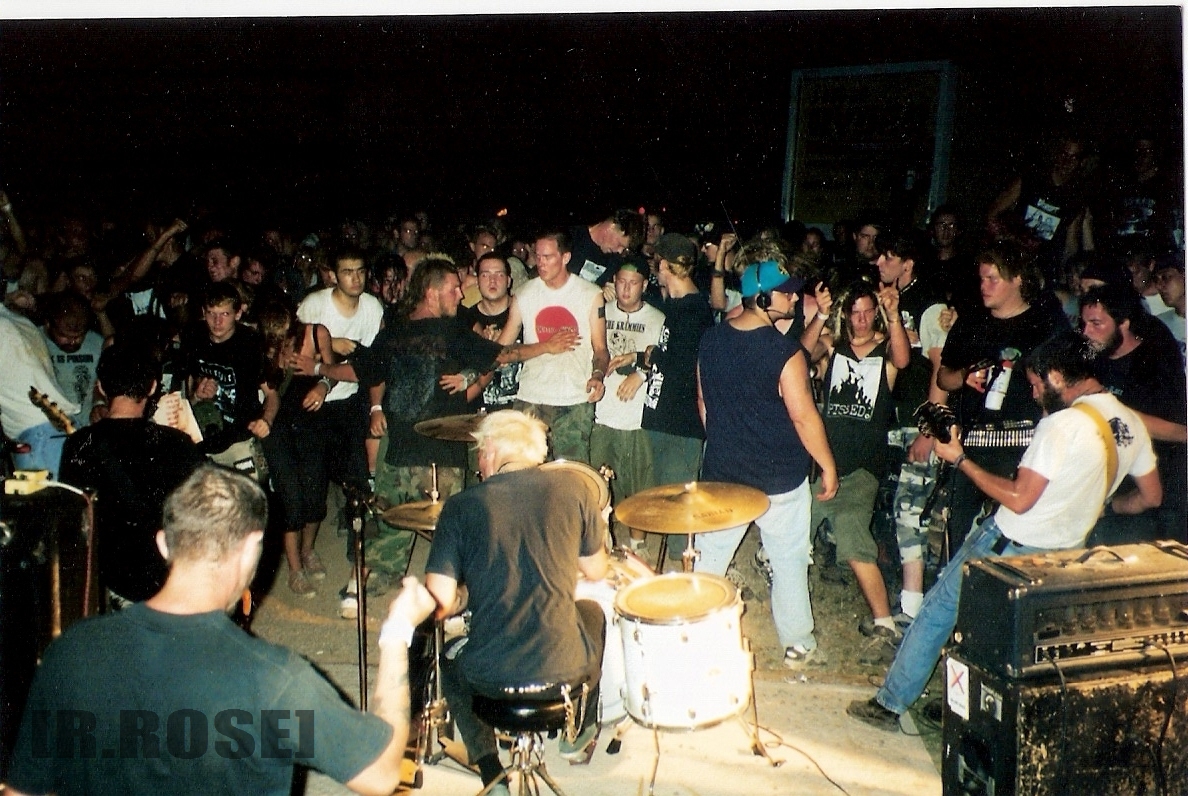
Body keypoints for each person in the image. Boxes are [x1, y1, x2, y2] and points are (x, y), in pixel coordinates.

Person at [5, 464, 437, 796]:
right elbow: (381, 774)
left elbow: (20, 789)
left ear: (163, 543)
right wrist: (397, 632)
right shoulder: (276, 679)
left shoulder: (73, 649)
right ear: (252, 548)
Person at [847, 331, 1162, 732]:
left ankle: (890, 705)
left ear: (1057, 377)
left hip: (1008, 544)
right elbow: (1151, 496)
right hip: (1062, 557)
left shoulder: (1062, 425)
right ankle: (958, 711)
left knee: (938, 613)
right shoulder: (1130, 423)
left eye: (1034, 384)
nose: (1032, 395)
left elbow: (1018, 497)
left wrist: (960, 459)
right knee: (995, 644)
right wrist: (1104, 504)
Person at [424, 411, 609, 794]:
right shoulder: (575, 489)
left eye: (479, 452)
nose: (479, 461)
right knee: (592, 612)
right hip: (565, 672)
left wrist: (463, 597)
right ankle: (577, 733)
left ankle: (492, 772)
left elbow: (439, 600)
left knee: (448, 658)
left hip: (489, 676)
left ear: (491, 449)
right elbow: (596, 570)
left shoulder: (460, 506)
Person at [696, 251, 839, 669]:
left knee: (709, 557)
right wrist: (827, 465)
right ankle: (798, 643)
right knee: (789, 559)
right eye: (787, 295)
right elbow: (804, 416)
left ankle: (691, 629)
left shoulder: (711, 338)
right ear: (761, 300)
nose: (795, 301)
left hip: (725, 474)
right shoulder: (785, 352)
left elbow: (704, 404)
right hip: (779, 479)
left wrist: (728, 441)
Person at [935, 243, 1069, 551]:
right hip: (972, 444)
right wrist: (964, 375)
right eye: (981, 279)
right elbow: (944, 376)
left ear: (1018, 279)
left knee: (1008, 542)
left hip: (1022, 449)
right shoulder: (971, 321)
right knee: (955, 539)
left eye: (992, 279)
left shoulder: (1046, 324)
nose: (984, 286)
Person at [807, 281, 909, 662]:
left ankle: (884, 623)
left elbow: (903, 360)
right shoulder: (834, 347)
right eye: (856, 312)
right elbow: (802, 352)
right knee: (794, 522)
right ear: (846, 315)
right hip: (825, 461)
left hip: (863, 467)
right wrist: (819, 314)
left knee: (852, 532)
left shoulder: (885, 350)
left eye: (869, 311)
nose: (862, 319)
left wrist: (894, 316)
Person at [58, 342, 206, 605]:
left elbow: (73, 524)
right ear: (152, 387)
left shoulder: (78, 443)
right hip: (166, 579)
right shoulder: (177, 442)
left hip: (109, 580)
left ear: (101, 387)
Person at [498, 230, 608, 463]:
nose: (540, 263)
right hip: (531, 398)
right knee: (525, 476)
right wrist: (546, 346)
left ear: (565, 257)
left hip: (573, 402)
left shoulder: (590, 294)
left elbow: (600, 349)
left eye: (547, 257)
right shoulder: (524, 294)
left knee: (570, 480)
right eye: (537, 256)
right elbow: (500, 353)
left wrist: (598, 375)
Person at [591, 257, 665, 555]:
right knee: (596, 486)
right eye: (621, 281)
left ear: (645, 285)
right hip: (601, 414)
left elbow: (665, 363)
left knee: (639, 489)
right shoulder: (600, 313)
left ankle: (637, 547)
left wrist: (642, 373)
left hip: (636, 418)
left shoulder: (658, 319)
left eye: (633, 283)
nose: (626, 288)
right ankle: (599, 545)